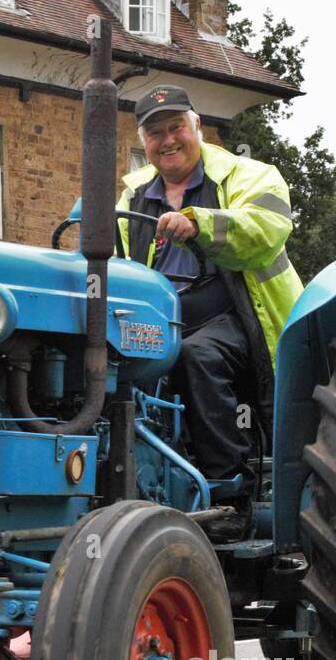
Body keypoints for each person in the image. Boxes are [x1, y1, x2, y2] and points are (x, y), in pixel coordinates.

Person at [116, 85, 303, 539]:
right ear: (144, 142)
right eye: (155, 133)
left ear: (197, 126)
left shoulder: (252, 175)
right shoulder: (132, 195)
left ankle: (229, 495)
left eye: (177, 126)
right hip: (161, 318)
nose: (168, 140)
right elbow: (118, 262)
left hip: (242, 315)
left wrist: (200, 223)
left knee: (198, 356)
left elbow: (264, 230)